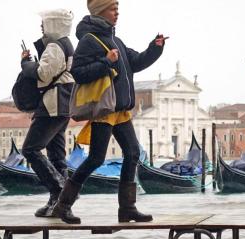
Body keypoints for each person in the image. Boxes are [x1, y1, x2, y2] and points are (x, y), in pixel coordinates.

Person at [52, 0, 167, 224]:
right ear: (100, 11)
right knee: (96, 159)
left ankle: (127, 208)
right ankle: (63, 205)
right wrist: (106, 61)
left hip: (121, 110)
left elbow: (137, 61)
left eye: (117, 9)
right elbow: (78, 72)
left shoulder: (116, 40)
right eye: (113, 9)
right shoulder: (89, 41)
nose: (117, 12)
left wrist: (155, 47)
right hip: (104, 110)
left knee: (133, 153)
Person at [20, 9, 75, 218]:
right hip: (65, 104)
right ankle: (60, 203)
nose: (41, 26)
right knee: (56, 155)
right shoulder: (67, 44)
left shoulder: (54, 46)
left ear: (53, 24)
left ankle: (58, 190)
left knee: (30, 150)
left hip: (53, 104)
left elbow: (43, 73)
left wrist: (26, 64)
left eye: (44, 23)